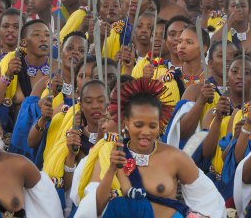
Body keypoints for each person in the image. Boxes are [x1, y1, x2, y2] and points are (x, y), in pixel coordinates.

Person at [76, 78, 226, 217]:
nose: (146, 132)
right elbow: (96, 208)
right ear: (127, 123)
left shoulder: (175, 157)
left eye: (152, 126)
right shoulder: (110, 154)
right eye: (139, 125)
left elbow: (209, 202)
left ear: (159, 125)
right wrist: (111, 170)